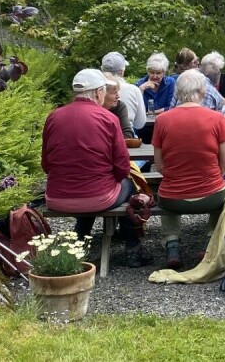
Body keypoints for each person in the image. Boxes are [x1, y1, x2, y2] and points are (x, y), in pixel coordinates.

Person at [42, 69, 150, 267]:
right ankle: (133, 249)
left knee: (92, 184)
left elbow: (46, 165)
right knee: (130, 186)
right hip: (98, 198)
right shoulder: (108, 119)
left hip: (57, 198)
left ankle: (80, 240)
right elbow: (122, 167)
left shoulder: (53, 117)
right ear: (99, 92)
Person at [152, 70, 225, 269]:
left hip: (173, 199)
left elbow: (159, 165)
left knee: (164, 188)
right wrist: (209, 178)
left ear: (177, 93)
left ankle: (172, 243)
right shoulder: (217, 118)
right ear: (203, 92)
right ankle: (209, 240)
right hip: (211, 195)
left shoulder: (162, 120)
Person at [101, 51, 146, 131]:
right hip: (126, 135)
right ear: (121, 71)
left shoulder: (96, 90)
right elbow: (140, 123)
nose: (118, 95)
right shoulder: (134, 89)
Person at [101, 73, 135, 139]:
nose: (118, 96)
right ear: (101, 93)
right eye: (114, 93)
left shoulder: (119, 106)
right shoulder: (90, 110)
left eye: (117, 92)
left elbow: (128, 134)